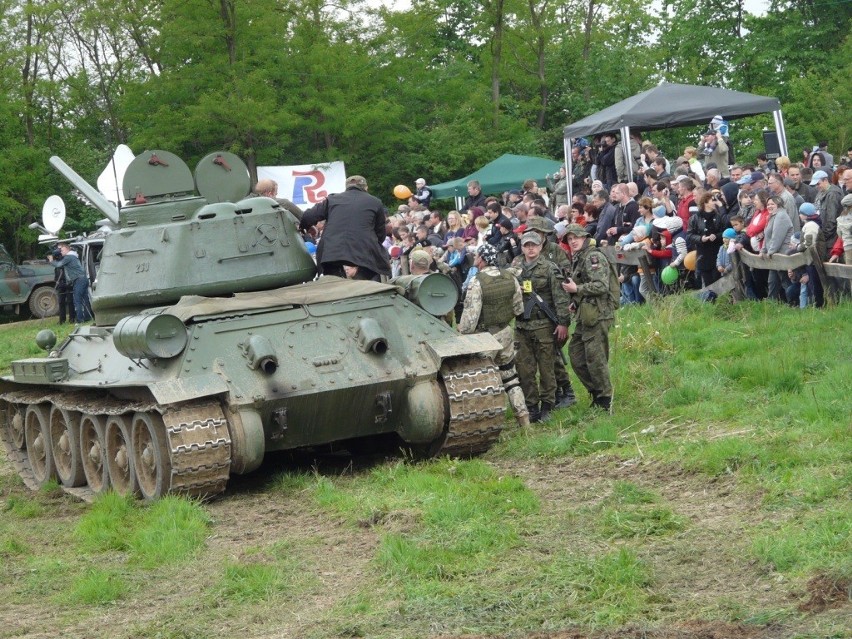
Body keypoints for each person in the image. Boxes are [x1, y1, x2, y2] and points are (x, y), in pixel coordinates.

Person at [457, 243, 530, 428]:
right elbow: (518, 308)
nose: (475, 259)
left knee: (481, 383)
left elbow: (468, 323)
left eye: (476, 256)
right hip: (505, 332)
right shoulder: (510, 277)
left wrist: (461, 331)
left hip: (484, 339)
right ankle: (524, 420)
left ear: (481, 259)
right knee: (511, 378)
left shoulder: (477, 282)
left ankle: (485, 425)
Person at [511, 231, 571, 423]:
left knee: (546, 368)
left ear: (540, 246)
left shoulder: (549, 268)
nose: (530, 248)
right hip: (521, 325)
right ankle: (531, 406)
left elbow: (560, 298)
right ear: (522, 247)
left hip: (544, 325)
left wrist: (563, 323)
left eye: (534, 245)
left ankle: (547, 405)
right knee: (524, 369)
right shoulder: (515, 268)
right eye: (527, 245)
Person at [561, 224, 618, 412]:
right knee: (576, 355)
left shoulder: (593, 256)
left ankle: (605, 399)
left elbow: (601, 286)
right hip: (586, 314)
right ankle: (596, 392)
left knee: (596, 358)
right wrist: (576, 301)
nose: (573, 241)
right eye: (569, 239)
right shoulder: (580, 257)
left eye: (575, 237)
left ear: (584, 237)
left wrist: (577, 290)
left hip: (598, 314)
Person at [299, 175, 390, 281]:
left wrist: (304, 228)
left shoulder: (332, 199)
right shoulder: (375, 202)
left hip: (331, 250)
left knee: (333, 279)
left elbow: (308, 216)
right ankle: (360, 284)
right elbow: (380, 232)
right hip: (363, 249)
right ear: (366, 188)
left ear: (347, 187)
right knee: (365, 278)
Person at [47, 242, 90, 323]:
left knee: (77, 300)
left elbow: (59, 265)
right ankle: (87, 317)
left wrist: (51, 261)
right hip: (83, 279)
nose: (60, 252)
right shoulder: (74, 256)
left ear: (67, 249)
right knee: (85, 299)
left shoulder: (68, 257)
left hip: (79, 280)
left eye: (62, 250)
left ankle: (80, 320)